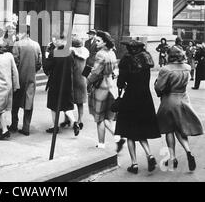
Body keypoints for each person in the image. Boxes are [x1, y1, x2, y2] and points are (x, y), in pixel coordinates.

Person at [115, 40, 161, 174]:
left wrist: (121, 82)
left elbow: (120, 83)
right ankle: (149, 155)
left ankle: (134, 164)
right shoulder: (146, 58)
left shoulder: (126, 60)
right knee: (141, 129)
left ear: (129, 48)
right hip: (145, 98)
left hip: (130, 97)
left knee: (129, 132)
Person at [155, 46, 203, 171]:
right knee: (180, 129)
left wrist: (157, 85)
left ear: (170, 56)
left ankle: (172, 158)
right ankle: (188, 151)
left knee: (169, 129)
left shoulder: (166, 69)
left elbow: (159, 87)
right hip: (183, 99)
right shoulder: (187, 67)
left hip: (169, 100)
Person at [87, 31, 122, 149]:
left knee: (99, 118)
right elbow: (116, 71)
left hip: (100, 87)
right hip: (111, 86)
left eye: (98, 41)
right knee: (107, 116)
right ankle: (118, 138)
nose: (96, 43)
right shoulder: (112, 52)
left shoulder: (100, 54)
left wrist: (88, 80)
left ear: (104, 42)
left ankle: (101, 144)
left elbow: (95, 73)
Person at [43, 35, 80, 136]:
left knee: (53, 105)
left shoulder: (54, 53)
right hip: (67, 82)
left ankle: (55, 127)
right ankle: (74, 122)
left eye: (56, 40)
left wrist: (47, 58)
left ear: (60, 41)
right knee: (66, 105)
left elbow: (47, 67)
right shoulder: (69, 53)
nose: (54, 41)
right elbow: (73, 66)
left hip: (56, 82)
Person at [10, 25, 42, 136]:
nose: (17, 35)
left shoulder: (17, 44)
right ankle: (26, 127)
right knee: (29, 102)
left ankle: (14, 125)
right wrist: (33, 71)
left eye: (18, 33)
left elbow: (15, 62)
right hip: (31, 77)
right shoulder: (36, 45)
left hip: (19, 77)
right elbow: (39, 63)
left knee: (15, 102)